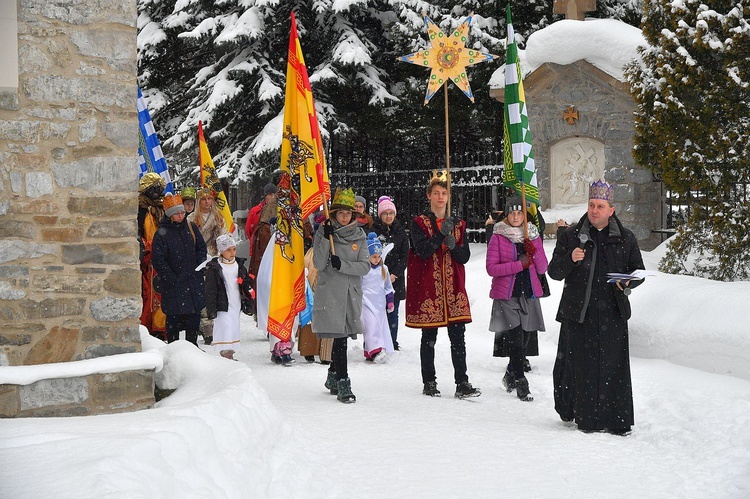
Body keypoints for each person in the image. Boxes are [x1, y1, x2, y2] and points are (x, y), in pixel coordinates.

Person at [548, 179, 645, 435]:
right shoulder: (571, 236)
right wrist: (570, 259)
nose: (594, 210)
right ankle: (584, 418)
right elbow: (553, 272)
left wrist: (628, 281)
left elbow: (638, 271)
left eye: (600, 206)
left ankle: (616, 420)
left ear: (611, 210)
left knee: (613, 367)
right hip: (579, 313)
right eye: (591, 205)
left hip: (612, 313)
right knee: (580, 368)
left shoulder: (625, 238)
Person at [405, 171, 481, 399]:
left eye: (444, 193)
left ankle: (462, 382)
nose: (440, 197)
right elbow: (423, 251)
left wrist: (454, 246)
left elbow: (464, 256)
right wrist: (440, 235)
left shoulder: (459, 224)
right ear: (429, 196)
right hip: (430, 287)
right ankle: (429, 381)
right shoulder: (419, 223)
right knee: (429, 337)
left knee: (458, 337)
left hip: (453, 287)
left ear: (449, 197)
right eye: (436, 193)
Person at [485, 196, 548, 402]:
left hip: (529, 293)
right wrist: (519, 264)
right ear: (506, 214)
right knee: (516, 339)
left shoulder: (533, 234)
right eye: (512, 212)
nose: (515, 216)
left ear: (524, 215)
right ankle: (521, 381)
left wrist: (534, 250)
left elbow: (542, 267)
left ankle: (511, 372)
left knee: (527, 337)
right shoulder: (498, 236)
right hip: (508, 294)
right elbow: (491, 269)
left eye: (519, 212)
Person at [312, 188, 370, 403]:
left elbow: (364, 266)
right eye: (341, 213)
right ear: (334, 213)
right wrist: (326, 238)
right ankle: (344, 382)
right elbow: (318, 263)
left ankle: (334, 375)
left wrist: (342, 265)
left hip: (350, 293)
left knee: (342, 336)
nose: (345, 217)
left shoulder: (359, 235)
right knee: (340, 337)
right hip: (331, 293)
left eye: (349, 213)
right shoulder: (323, 232)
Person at [151, 193, 207, 346]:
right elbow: (158, 260)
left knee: (193, 321)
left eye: (183, 212)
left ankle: (193, 350)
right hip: (174, 287)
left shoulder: (191, 227)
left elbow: (201, 248)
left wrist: (200, 266)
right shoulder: (162, 234)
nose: (181, 215)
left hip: (193, 283)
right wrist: (171, 278)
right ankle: (174, 352)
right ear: (170, 215)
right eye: (177, 213)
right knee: (173, 324)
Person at [204, 234, 254, 360]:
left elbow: (246, 284)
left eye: (234, 249)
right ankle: (225, 352)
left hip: (235, 301)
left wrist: (248, 299)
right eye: (228, 250)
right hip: (222, 303)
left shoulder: (239, 265)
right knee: (224, 325)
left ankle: (230, 350)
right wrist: (211, 308)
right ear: (221, 251)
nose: (232, 253)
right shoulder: (215, 267)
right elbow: (210, 289)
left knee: (233, 325)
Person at [188, 186, 227, 345]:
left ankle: (211, 328)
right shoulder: (191, 219)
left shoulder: (218, 217)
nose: (206, 202)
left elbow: (223, 237)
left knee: (212, 293)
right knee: (199, 294)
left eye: (209, 199)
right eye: (203, 199)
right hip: (197, 259)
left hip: (214, 258)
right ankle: (202, 326)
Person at [371, 195, 409, 351]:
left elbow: (404, 256)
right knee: (375, 313)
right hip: (376, 278)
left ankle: (391, 342)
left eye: (391, 213)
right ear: (380, 215)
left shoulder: (401, 232)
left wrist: (394, 274)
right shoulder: (373, 232)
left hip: (395, 280)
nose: (388, 216)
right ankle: (374, 343)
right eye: (385, 213)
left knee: (392, 313)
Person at [137, 172, 167, 340]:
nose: (156, 192)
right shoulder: (140, 209)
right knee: (149, 294)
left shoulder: (163, 208)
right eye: (152, 188)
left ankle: (161, 327)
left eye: (158, 188)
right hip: (148, 260)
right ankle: (148, 327)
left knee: (162, 294)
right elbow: (137, 233)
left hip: (163, 257)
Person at [360, 232, 396, 363]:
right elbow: (358, 286)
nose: (376, 259)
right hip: (366, 303)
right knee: (371, 325)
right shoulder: (363, 269)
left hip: (379, 305)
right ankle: (376, 351)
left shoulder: (384, 269)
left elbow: (387, 286)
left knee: (378, 327)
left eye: (378, 256)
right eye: (373, 256)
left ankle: (371, 351)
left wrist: (390, 300)